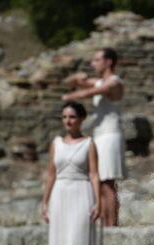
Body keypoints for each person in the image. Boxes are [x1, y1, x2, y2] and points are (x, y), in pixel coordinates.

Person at [63, 47, 125, 227]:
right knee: (99, 183)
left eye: (97, 60)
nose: (93, 63)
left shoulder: (114, 82)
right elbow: (71, 82)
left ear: (109, 62)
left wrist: (70, 96)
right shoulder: (99, 82)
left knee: (107, 184)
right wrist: (76, 79)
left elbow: (87, 93)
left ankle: (112, 226)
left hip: (110, 136)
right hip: (100, 136)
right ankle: (106, 224)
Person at [42, 101, 101, 245]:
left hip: (81, 192)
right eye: (65, 117)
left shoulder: (89, 143)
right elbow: (51, 174)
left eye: (72, 117)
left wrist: (98, 202)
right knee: (59, 239)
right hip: (60, 193)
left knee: (78, 240)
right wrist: (44, 203)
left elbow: (94, 174)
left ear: (81, 119)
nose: (68, 121)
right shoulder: (56, 143)